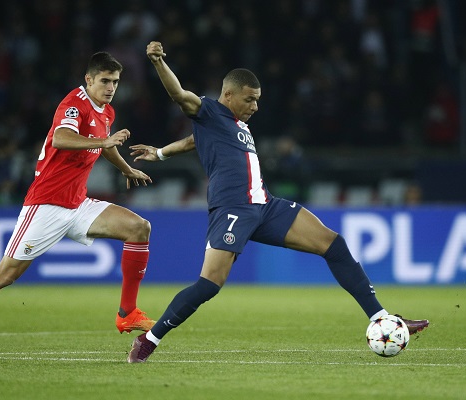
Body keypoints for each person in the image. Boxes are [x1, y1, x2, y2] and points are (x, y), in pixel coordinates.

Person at [126, 41, 429, 363]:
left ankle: (382, 319)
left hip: (265, 205)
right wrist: (158, 61)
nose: (255, 106)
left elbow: (192, 141)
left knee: (333, 244)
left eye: (257, 100)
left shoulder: (233, 126)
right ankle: (149, 340)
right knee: (209, 285)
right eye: (250, 99)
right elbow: (179, 95)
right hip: (233, 208)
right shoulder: (209, 110)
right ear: (228, 95)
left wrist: (160, 152)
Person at [0, 51, 156, 358]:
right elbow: (62, 139)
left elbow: (103, 142)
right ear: (89, 79)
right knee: (4, 276)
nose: (111, 87)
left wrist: (124, 168)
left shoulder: (106, 112)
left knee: (138, 228)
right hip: (46, 205)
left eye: (116, 82)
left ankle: (127, 313)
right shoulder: (73, 104)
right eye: (105, 81)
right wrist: (104, 143)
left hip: (77, 204)